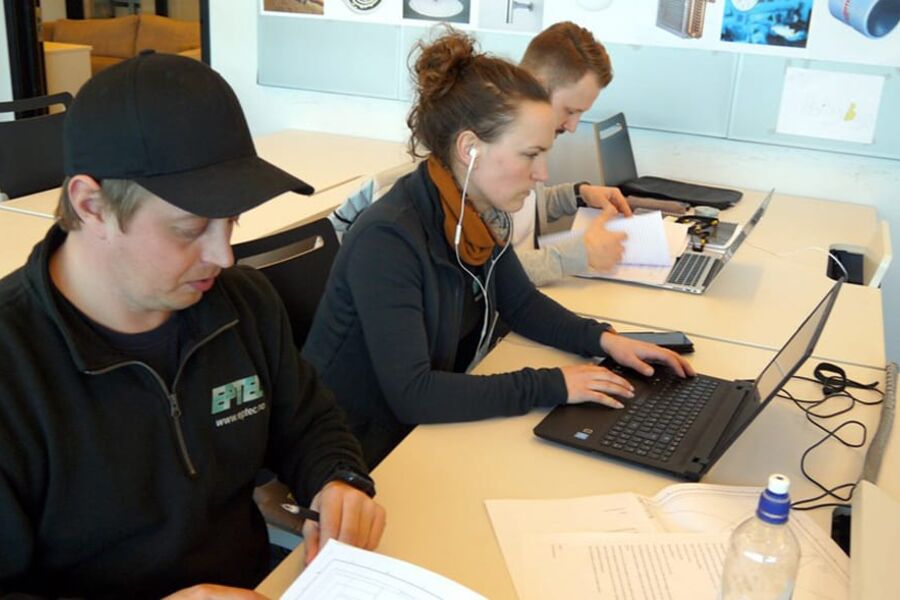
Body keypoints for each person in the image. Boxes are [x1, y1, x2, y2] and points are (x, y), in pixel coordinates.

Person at [0, 52, 384, 599]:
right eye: (190, 228)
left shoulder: (242, 304)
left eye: (231, 221)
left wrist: (338, 480)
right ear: (91, 205)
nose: (224, 255)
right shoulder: (14, 366)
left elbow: (307, 421)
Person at [302, 30, 694, 468]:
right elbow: (414, 395)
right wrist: (555, 384)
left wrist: (605, 341)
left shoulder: (474, 211)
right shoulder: (389, 238)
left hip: (414, 433)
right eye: (531, 155)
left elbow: (521, 302)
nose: (543, 174)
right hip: (356, 452)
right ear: (470, 149)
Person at [513, 21, 634, 286]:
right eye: (570, 110)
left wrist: (579, 195)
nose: (573, 126)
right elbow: (485, 275)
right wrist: (578, 254)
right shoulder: (490, 150)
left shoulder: (531, 137)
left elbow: (523, 209)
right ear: (537, 86)